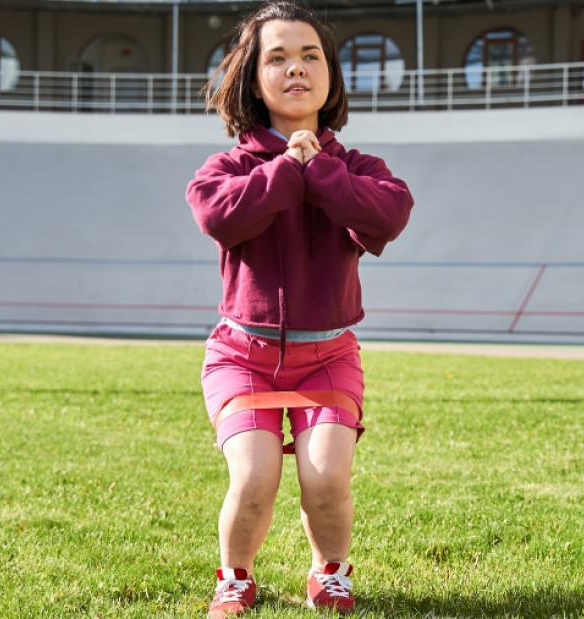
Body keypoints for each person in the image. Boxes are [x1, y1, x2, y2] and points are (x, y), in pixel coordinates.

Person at [185, 1, 413, 616]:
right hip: (242, 355)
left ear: (331, 74)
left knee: (326, 477)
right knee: (255, 478)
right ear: (253, 78)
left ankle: (330, 574)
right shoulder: (226, 168)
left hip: (328, 357)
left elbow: (386, 216)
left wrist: (320, 171)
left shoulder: (360, 169)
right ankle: (234, 577)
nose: (296, 68)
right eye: (277, 57)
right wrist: (289, 167)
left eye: (311, 55)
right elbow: (220, 217)